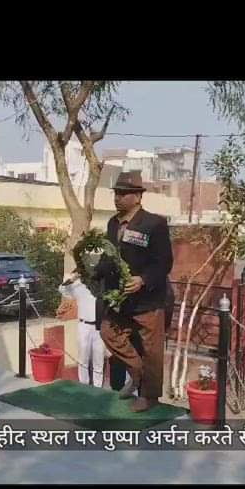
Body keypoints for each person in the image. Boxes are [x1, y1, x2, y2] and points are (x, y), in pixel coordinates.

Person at [97, 171, 174, 413]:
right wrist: (92, 271)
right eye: (116, 193)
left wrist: (142, 280)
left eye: (123, 193)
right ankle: (139, 373)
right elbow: (110, 256)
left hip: (148, 299)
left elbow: (163, 262)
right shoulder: (112, 223)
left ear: (138, 197)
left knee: (152, 350)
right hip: (121, 299)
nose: (117, 198)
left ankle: (149, 396)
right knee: (109, 332)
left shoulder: (155, 224)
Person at [58, 272, 106, 387]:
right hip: (84, 325)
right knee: (83, 357)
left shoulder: (101, 287)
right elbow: (62, 289)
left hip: (99, 325)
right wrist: (71, 280)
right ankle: (83, 384)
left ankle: (98, 386)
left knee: (99, 358)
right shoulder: (78, 286)